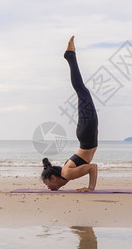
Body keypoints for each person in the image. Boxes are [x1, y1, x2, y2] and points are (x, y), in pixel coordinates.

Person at [41, 36, 98, 192]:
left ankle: (70, 56)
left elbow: (93, 167)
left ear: (53, 178)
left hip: (87, 135)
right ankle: (71, 56)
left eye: (46, 184)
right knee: (82, 91)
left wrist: (90, 188)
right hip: (87, 136)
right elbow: (91, 167)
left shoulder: (67, 173)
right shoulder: (67, 173)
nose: (48, 187)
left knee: (82, 91)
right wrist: (89, 187)